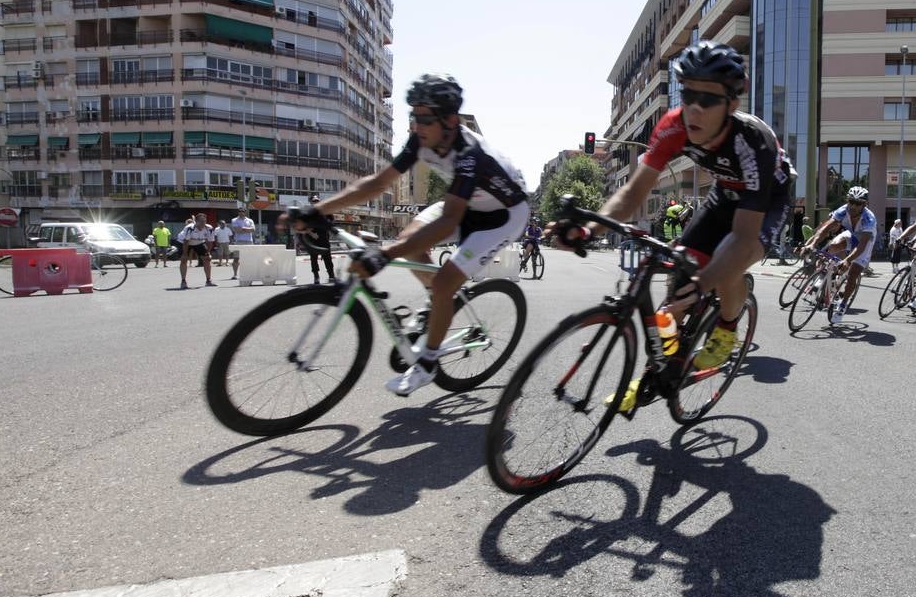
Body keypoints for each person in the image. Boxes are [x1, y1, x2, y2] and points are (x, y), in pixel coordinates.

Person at [556, 41, 790, 411]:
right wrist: (590, 231)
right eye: (688, 94)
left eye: (708, 99)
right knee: (673, 295)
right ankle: (656, 371)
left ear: (732, 104)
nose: (694, 107)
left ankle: (727, 329)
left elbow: (744, 238)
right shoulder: (672, 126)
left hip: (767, 202)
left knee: (727, 265)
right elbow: (632, 195)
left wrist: (705, 282)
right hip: (723, 195)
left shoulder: (752, 142)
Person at [296, 73, 529, 397]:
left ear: (449, 120)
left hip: (504, 215)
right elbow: (377, 183)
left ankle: (428, 363)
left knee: (446, 280)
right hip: (467, 204)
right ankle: (438, 306)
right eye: (412, 116)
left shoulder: (470, 156)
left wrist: (385, 254)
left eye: (423, 118)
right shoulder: (421, 139)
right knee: (411, 242)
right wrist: (319, 209)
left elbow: (448, 223)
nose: (415, 125)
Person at [799, 186, 877, 324]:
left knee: (853, 272)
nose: (853, 206)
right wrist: (812, 244)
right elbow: (825, 229)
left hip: (864, 242)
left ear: (864, 205)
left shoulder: (869, 218)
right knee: (831, 248)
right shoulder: (843, 210)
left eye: (858, 203)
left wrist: (847, 260)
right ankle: (824, 275)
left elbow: (861, 245)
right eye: (851, 201)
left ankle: (843, 305)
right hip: (851, 235)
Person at [302, 195, 336, 284]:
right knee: (313, 258)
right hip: (313, 238)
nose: (316, 202)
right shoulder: (308, 213)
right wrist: (311, 234)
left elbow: (332, 222)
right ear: (311, 202)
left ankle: (331, 275)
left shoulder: (326, 211)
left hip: (324, 238)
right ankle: (316, 276)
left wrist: (330, 228)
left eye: (317, 201)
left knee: (327, 258)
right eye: (314, 201)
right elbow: (303, 227)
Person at [177, 213, 217, 289]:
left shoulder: (209, 228)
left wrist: (208, 253)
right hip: (185, 242)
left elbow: (210, 242)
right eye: (201, 221)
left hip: (199, 242)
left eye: (204, 221)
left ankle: (208, 280)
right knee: (184, 260)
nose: (203, 223)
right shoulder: (190, 228)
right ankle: (183, 281)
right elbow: (186, 242)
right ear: (196, 221)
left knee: (207, 259)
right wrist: (185, 254)